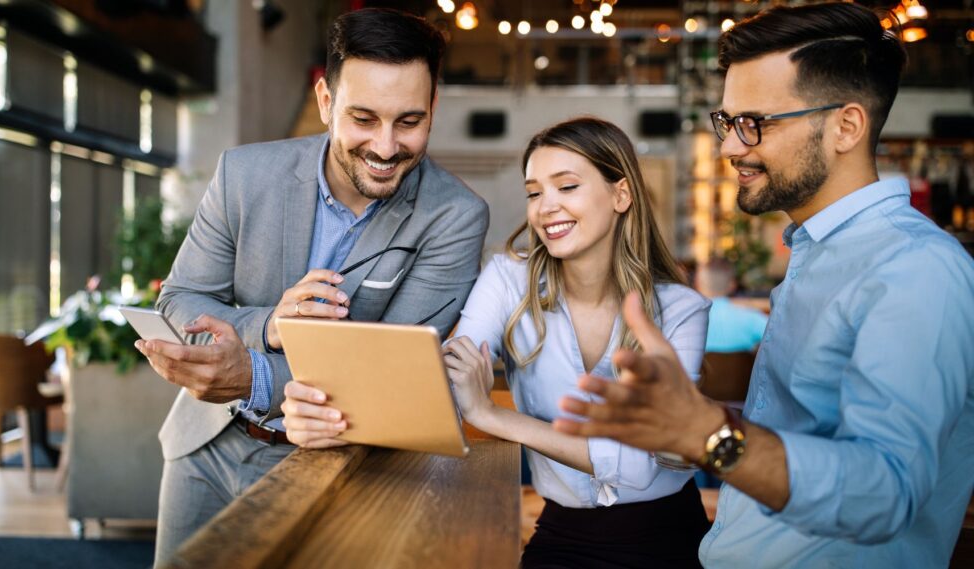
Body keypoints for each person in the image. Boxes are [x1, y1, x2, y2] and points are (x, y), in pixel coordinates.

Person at [555, 3, 974, 568]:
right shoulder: (819, 250)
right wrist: (681, 419)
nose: (730, 147)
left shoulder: (914, 268)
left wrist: (707, 432)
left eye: (755, 123)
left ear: (845, 127)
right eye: (727, 122)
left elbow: (886, 491)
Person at [136, 8, 489, 565]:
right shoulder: (243, 174)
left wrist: (253, 374)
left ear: (433, 109)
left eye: (409, 121)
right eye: (364, 118)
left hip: (334, 463)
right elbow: (180, 298)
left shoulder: (455, 217)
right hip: (202, 447)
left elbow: (393, 372)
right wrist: (268, 327)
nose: (386, 146)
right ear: (325, 102)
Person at [444, 117, 712, 568]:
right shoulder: (508, 279)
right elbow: (453, 371)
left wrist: (490, 415)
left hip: (669, 535)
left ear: (620, 195)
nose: (546, 206)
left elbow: (638, 466)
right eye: (534, 192)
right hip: (563, 530)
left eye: (566, 187)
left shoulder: (682, 310)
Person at [694, 257, 767, 353]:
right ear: (732, 285)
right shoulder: (753, 318)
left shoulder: (686, 320)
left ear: (698, 284)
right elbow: (780, 341)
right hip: (742, 368)